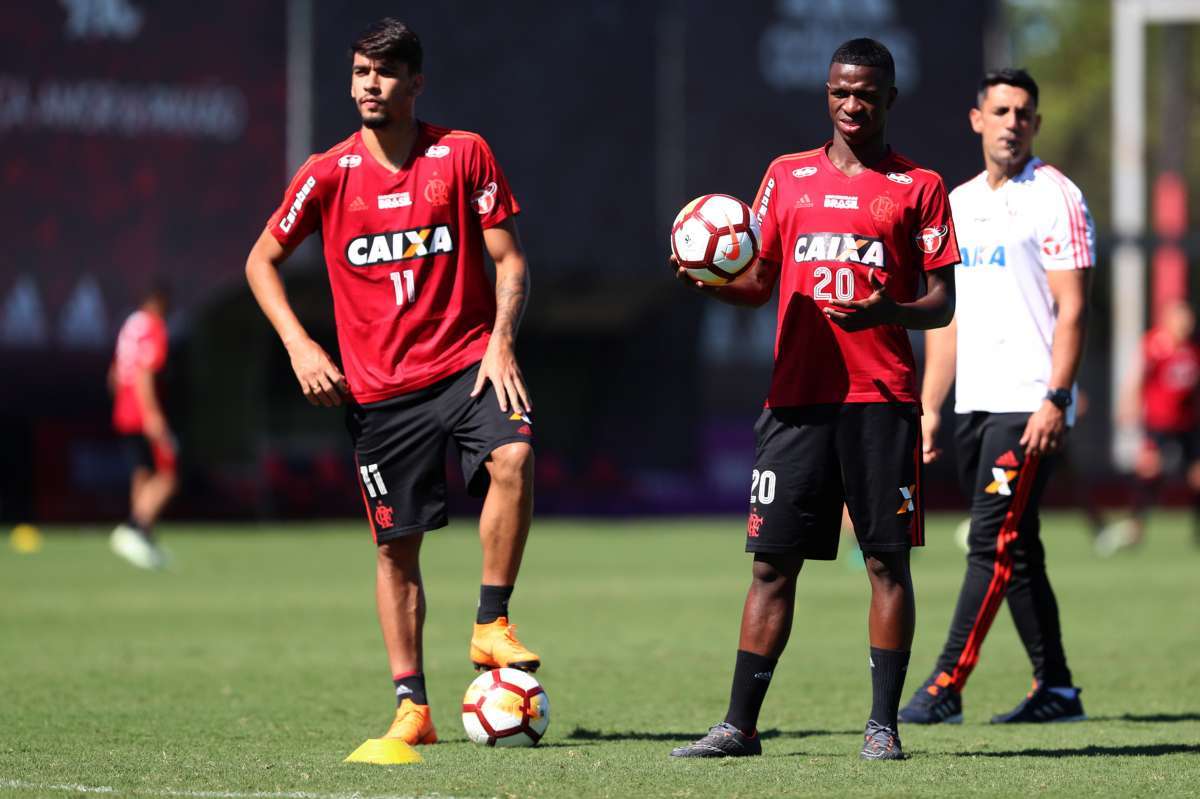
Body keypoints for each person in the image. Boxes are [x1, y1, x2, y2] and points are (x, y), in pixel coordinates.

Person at [244, 19, 538, 747]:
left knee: (516, 456)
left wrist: (500, 344)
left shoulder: (462, 155)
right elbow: (260, 261)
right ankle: (414, 706)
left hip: (467, 366)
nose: (368, 86)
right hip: (379, 393)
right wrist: (300, 346)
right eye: (358, 74)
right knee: (395, 550)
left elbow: (510, 262)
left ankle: (491, 622)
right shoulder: (326, 172)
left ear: (415, 81)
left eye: (383, 73)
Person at [670, 38, 958, 761]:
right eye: (839, 92)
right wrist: (707, 279)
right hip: (796, 402)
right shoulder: (784, 176)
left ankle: (882, 725)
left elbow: (941, 304)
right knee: (771, 564)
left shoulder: (919, 186)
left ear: (890, 98)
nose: (851, 105)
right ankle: (738, 726)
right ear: (826, 94)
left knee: (888, 562)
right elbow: (758, 281)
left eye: (865, 94)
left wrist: (887, 309)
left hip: (880, 399)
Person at [900, 68, 1092, 726]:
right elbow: (947, 317)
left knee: (989, 541)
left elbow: (1073, 310)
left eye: (1024, 112)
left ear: (1035, 125)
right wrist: (929, 404)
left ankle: (945, 684)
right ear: (977, 119)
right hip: (973, 405)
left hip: (1025, 405)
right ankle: (1059, 689)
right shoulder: (955, 204)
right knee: (1018, 546)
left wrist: (1056, 398)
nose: (1013, 121)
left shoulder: (1056, 196)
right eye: (1001, 110)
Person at [1096, 300, 1200, 554]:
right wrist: (1127, 403)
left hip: (1188, 423)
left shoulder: (1193, 348)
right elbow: (1137, 377)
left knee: (1197, 476)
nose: (1186, 325)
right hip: (1159, 422)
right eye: (1180, 320)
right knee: (1150, 472)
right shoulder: (1155, 344)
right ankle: (1135, 526)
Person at [108, 285, 176, 570]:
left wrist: (121, 402)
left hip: (124, 409)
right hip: (142, 412)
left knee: (142, 472)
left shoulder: (129, 325)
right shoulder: (153, 326)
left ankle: (141, 538)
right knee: (169, 475)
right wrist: (152, 414)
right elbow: (145, 373)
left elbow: (113, 374)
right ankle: (134, 528)